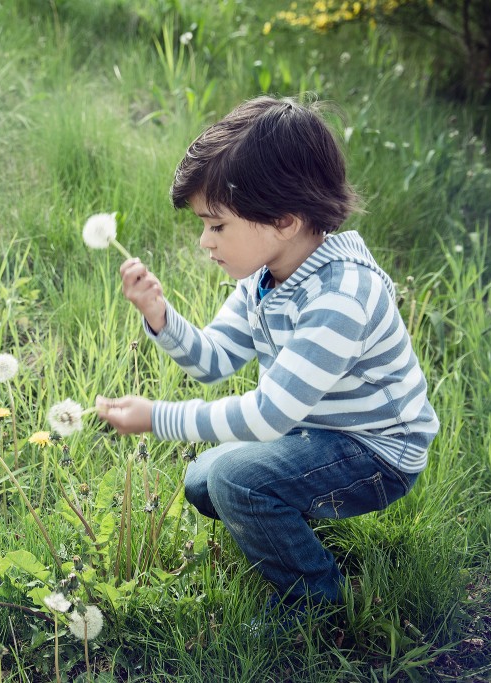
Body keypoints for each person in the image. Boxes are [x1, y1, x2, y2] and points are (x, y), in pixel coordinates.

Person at [95, 96, 439, 619]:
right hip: (319, 431)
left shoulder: (342, 294)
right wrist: (159, 314)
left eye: (216, 225)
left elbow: (267, 415)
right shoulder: (267, 280)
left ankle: (313, 602)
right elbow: (212, 361)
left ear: (283, 220)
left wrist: (155, 417)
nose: (204, 243)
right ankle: (288, 518)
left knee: (237, 480)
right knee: (205, 482)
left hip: (378, 452)